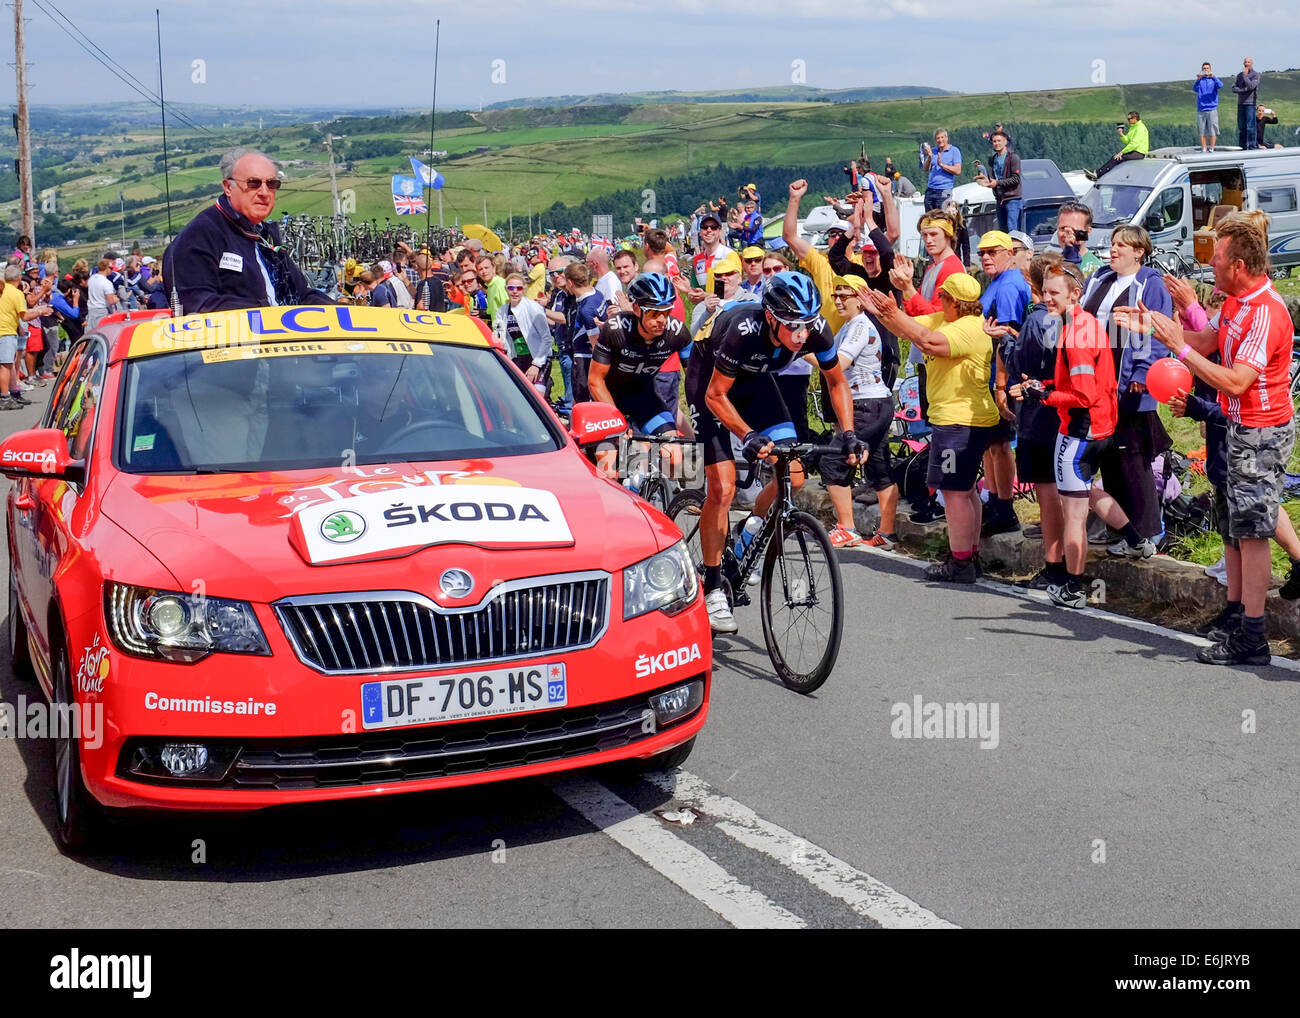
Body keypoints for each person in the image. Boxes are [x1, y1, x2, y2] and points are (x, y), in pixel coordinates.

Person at [1123, 211, 1292, 664]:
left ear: (1239, 265)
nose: (1209, 266)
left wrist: (1177, 346)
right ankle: (1240, 617)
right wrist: (1158, 329)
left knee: (1253, 534)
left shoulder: (1264, 312)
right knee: (1236, 531)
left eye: (1217, 258)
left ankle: (1253, 638)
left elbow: (1236, 381)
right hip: (1238, 429)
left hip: (1260, 431)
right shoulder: (1237, 302)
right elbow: (1205, 341)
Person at [687, 272, 861, 632]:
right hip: (709, 385)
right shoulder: (742, 330)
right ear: (770, 317)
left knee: (793, 476)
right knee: (723, 487)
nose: (802, 334)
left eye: (807, 324)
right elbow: (715, 396)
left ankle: (749, 532)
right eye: (792, 325)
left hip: (756, 383)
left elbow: (836, 381)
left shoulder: (814, 329)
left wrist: (847, 433)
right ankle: (713, 584)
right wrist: (748, 435)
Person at [1009, 261, 1141, 609]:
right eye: (1045, 292)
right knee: (1086, 492)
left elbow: (1082, 395)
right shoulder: (1086, 324)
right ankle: (1136, 539)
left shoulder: (1074, 335)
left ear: (1075, 294)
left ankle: (1072, 586)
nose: (1047, 299)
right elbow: (1086, 382)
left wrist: (1044, 396)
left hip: (1079, 431)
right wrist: (1046, 385)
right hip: (1101, 428)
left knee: (1074, 513)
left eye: (1054, 293)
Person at [865, 274, 999, 582]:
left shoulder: (967, 329)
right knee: (964, 491)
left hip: (959, 421)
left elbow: (926, 341)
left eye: (943, 298)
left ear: (954, 301)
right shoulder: (948, 318)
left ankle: (961, 562)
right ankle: (968, 554)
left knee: (953, 493)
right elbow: (912, 330)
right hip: (962, 419)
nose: (939, 302)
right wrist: (884, 312)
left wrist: (889, 312)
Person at [1080, 224, 1171, 553]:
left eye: (1122, 245)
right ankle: (1122, 531)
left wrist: (1143, 372)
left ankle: (1150, 533)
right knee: (1110, 460)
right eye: (1113, 244)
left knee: (1133, 460)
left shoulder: (1150, 283)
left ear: (1139, 252)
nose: (1114, 249)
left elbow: (1158, 329)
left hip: (1131, 386)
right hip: (1097, 386)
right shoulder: (1100, 278)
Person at [996, 253, 1066, 589]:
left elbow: (1021, 363)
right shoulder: (1066, 317)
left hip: (1040, 414)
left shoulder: (1038, 320)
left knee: (1048, 490)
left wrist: (1005, 340)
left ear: (1029, 280)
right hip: (1062, 410)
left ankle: (1055, 564)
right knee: (1063, 489)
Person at [587, 273, 691, 479]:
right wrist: (617, 421)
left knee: (676, 458)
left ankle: (666, 498)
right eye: (654, 313)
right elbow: (594, 381)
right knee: (609, 470)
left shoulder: (677, 332)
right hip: (607, 401)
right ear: (636, 309)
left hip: (645, 399)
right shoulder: (615, 330)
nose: (662, 320)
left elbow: (696, 376)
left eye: (666, 312)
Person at [823, 278, 900, 549]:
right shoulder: (848, 326)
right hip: (876, 402)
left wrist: (803, 353)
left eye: (846, 295)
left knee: (832, 462)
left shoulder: (860, 326)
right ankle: (887, 534)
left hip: (866, 404)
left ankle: (847, 528)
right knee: (879, 467)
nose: (839, 300)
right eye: (836, 295)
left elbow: (837, 364)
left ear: (860, 298)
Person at [976, 231, 1031, 536]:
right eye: (981, 252)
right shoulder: (999, 281)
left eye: (992, 251)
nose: (985, 257)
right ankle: (995, 500)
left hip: (1005, 376)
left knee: (999, 443)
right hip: (992, 374)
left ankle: (1004, 506)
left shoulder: (1009, 285)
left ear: (1010, 253)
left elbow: (1008, 335)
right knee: (990, 443)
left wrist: (1000, 384)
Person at [0, 265, 50, 411]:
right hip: (6, 331)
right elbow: (25, 316)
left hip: (7, 329)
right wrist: (40, 311)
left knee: (9, 364)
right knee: (6, 365)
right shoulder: (16, 294)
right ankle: (5, 397)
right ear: (19, 278)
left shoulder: (4, 290)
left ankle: (13, 392)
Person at [494, 272, 552, 398]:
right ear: (506, 289)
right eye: (511, 288)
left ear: (524, 289)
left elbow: (547, 339)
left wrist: (536, 365)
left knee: (537, 396)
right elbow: (498, 337)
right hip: (518, 358)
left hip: (539, 358)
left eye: (519, 288)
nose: (515, 292)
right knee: (518, 396)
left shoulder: (534, 308)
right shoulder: (502, 311)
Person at [564, 262, 605, 404]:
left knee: (582, 401)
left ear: (570, 283)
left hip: (585, 359)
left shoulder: (586, 309)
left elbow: (596, 344)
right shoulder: (597, 294)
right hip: (586, 357)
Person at [976, 129, 1023, 234]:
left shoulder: (1013, 158)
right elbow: (993, 177)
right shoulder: (993, 159)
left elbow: (1016, 179)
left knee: (1013, 230)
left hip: (1012, 199)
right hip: (999, 199)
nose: (996, 143)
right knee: (1003, 231)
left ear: (1005, 141)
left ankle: (1015, 250)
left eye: (999, 141)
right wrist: (986, 180)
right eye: (994, 141)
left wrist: (997, 183)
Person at [1089, 112, 1148, 180]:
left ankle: (1098, 175)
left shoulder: (1140, 128)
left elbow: (1134, 144)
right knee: (1115, 157)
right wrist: (1121, 134)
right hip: (1134, 151)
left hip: (1139, 153)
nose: (1128, 120)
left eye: (1129, 119)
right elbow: (1128, 141)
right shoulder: (1133, 127)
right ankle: (1098, 174)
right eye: (1128, 119)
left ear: (1135, 118)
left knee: (1117, 158)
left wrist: (1122, 152)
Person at [1055, 200, 1102, 277]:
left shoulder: (1097, 271)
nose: (1067, 235)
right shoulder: (1050, 265)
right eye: (1063, 228)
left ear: (1088, 231)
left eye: (1074, 230)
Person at [920, 128, 962, 211]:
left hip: (944, 190)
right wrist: (929, 156)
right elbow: (925, 169)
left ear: (946, 138)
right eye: (938, 138)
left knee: (943, 218)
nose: (940, 140)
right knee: (930, 218)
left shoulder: (954, 151)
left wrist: (942, 165)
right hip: (931, 190)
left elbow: (958, 170)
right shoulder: (933, 151)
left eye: (942, 137)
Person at [1195, 62, 1224, 152]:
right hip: (1201, 108)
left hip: (1212, 108)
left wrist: (1213, 77)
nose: (1206, 70)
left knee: (1213, 129)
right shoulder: (1200, 80)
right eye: (1204, 68)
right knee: (1202, 130)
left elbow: (1220, 85)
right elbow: (1194, 89)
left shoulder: (1213, 80)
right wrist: (1198, 79)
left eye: (1207, 68)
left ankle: (1211, 148)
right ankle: (1204, 148)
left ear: (1210, 69)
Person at [1233, 57, 1260, 151]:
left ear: (1252, 63)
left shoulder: (1255, 75)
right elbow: (1234, 88)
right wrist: (1244, 90)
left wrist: (1245, 76)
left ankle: (1252, 146)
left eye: (1248, 62)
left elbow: (1251, 86)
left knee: (1250, 127)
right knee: (1241, 127)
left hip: (1250, 104)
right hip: (1240, 103)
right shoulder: (1239, 75)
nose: (1246, 63)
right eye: (1245, 62)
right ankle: (1242, 147)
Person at [86, 257, 119, 329]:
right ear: (106, 268)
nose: (112, 270)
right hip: (101, 310)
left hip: (91, 310)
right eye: (111, 268)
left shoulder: (91, 279)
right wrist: (116, 299)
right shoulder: (107, 283)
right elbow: (110, 301)